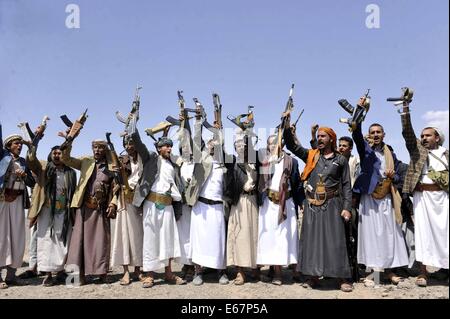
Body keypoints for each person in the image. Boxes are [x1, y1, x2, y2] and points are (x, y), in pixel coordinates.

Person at [284, 118, 353, 292]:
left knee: (335, 240)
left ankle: (341, 277)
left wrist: (346, 207)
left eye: (323, 136)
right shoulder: (311, 155)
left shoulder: (341, 160)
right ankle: (312, 276)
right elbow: (292, 147)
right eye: (319, 136)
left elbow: (346, 185)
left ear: (331, 139)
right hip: (312, 204)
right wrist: (286, 126)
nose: (320, 139)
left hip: (333, 203)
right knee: (311, 241)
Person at [352, 100, 409, 285]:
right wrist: (360, 110)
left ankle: (390, 272)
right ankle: (374, 275)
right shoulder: (365, 150)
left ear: (384, 134)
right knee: (370, 236)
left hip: (386, 198)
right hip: (369, 198)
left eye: (378, 132)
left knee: (389, 234)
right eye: (372, 132)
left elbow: (400, 175)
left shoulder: (390, 152)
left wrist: (394, 177)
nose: (375, 135)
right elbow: (356, 133)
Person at [129, 123, 186, 288]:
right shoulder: (151, 159)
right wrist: (134, 124)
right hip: (152, 205)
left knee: (168, 240)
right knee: (151, 240)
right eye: (166, 146)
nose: (169, 148)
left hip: (168, 206)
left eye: (170, 146)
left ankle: (169, 273)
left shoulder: (173, 166)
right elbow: (138, 144)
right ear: (159, 148)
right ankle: (149, 275)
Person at [399, 102, 449, 287]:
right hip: (422, 199)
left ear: (437, 138)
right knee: (423, 235)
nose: (424, 138)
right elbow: (408, 133)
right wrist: (405, 110)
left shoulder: (446, 155)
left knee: (446, 234)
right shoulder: (417, 151)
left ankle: (445, 270)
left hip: (443, 200)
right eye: (422, 136)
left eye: (428, 135)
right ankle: (423, 273)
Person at [186, 114, 233, 286]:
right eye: (210, 143)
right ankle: (198, 272)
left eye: (216, 143)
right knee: (199, 241)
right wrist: (199, 121)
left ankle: (222, 271)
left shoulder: (225, 163)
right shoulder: (200, 160)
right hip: (201, 207)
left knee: (218, 241)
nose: (212, 145)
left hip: (218, 207)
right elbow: (194, 139)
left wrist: (218, 131)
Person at [62, 139, 118, 285]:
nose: (97, 150)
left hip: (100, 208)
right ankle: (75, 277)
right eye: (95, 147)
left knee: (101, 242)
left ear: (105, 150)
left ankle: (101, 273)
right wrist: (69, 140)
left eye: (100, 148)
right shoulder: (85, 161)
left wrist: (113, 203)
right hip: (83, 207)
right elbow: (66, 159)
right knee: (78, 242)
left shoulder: (112, 166)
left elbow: (116, 188)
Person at [26, 142, 77, 286]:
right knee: (46, 242)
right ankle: (48, 274)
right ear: (50, 155)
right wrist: (32, 146)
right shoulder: (44, 169)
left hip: (64, 211)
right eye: (54, 153)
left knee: (62, 240)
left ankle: (60, 272)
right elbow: (31, 162)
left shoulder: (71, 172)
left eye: (59, 153)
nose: (56, 155)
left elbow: (72, 192)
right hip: (47, 211)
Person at [256, 133, 300, 286]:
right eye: (270, 144)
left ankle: (291, 271)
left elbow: (297, 184)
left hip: (286, 203)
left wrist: (301, 203)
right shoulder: (264, 161)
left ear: (281, 144)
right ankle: (276, 272)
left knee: (287, 237)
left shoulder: (292, 162)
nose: (273, 146)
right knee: (272, 238)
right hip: (269, 204)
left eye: (276, 143)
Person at [0, 126, 35, 289]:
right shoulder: (3, 158)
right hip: (2, 202)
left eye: (21, 144)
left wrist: (25, 175)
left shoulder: (23, 162)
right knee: (2, 238)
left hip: (18, 203)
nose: (19, 146)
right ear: (8, 146)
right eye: (16, 143)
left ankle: (12, 276)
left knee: (17, 238)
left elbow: (31, 183)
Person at [110, 136, 144, 285]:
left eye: (131, 143)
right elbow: (115, 182)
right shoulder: (121, 160)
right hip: (124, 200)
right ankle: (125, 272)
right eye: (126, 143)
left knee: (138, 236)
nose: (129, 146)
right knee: (123, 236)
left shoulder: (143, 158)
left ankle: (138, 270)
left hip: (140, 201)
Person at [227, 133, 259, 285]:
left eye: (243, 144)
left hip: (253, 201)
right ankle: (240, 272)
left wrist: (247, 130)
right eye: (237, 145)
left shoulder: (255, 160)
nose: (240, 147)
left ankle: (254, 269)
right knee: (239, 236)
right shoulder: (232, 161)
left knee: (254, 235)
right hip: (239, 201)